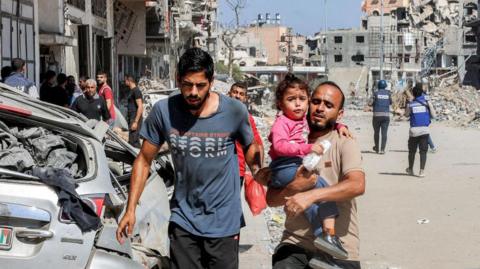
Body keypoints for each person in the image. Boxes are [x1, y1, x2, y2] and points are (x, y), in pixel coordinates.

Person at [115, 48, 263, 269]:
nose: (193, 92)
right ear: (178, 79)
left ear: (211, 82)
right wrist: (130, 209)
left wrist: (262, 170)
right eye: (187, 84)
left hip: (223, 222)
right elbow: (143, 160)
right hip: (183, 219)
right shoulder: (164, 111)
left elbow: (251, 150)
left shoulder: (234, 111)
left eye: (200, 85)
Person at [259, 81, 365, 269]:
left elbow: (357, 185)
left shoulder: (344, 142)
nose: (320, 108)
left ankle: (328, 237)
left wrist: (311, 195)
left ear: (339, 114)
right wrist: (295, 187)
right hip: (296, 243)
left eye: (329, 105)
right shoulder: (293, 141)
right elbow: (272, 200)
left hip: (339, 251)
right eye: (316, 101)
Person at [228, 81, 264, 186]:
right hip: (218, 171)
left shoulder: (248, 119)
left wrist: (258, 172)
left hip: (238, 171)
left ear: (245, 98)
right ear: (229, 94)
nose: (237, 96)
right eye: (235, 92)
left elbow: (258, 144)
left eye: (241, 94)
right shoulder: (216, 114)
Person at [405, 83, 436, 178]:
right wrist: (429, 106)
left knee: (412, 151)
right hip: (424, 131)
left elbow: (406, 115)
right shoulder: (426, 103)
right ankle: (421, 171)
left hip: (414, 131)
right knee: (423, 152)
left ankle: (410, 169)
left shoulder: (411, 104)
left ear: (413, 94)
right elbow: (434, 116)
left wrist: (409, 104)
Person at [369, 79, 392, 154]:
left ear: (378, 86)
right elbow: (390, 102)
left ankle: (376, 148)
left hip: (376, 116)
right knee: (384, 133)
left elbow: (370, 103)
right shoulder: (388, 93)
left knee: (376, 132)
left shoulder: (375, 93)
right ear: (385, 86)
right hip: (386, 116)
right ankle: (382, 149)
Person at [124, 75, 144, 148]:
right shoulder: (132, 91)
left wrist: (135, 122)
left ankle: (137, 157)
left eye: (125, 81)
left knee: (134, 141)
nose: (124, 82)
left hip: (135, 118)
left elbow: (140, 106)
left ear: (129, 81)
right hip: (132, 118)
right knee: (132, 140)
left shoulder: (136, 91)